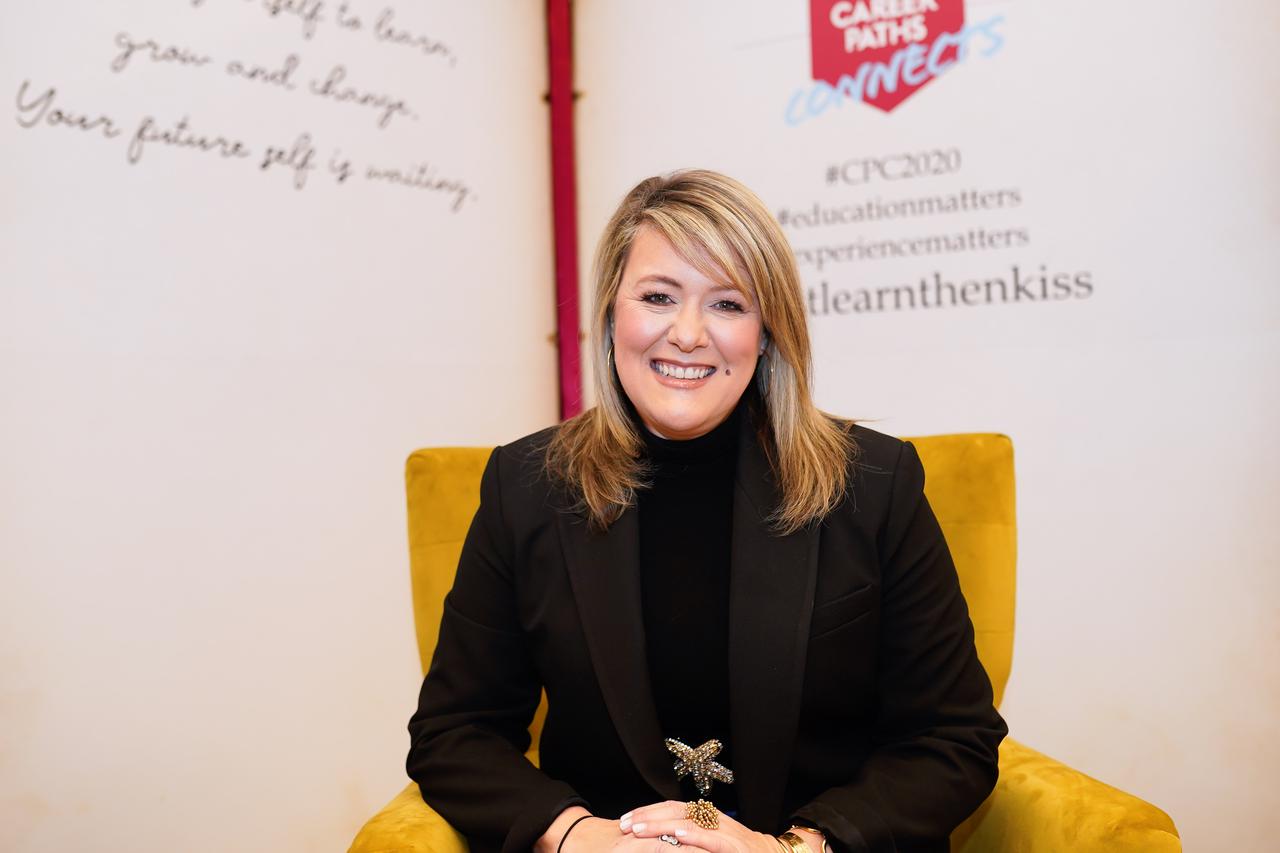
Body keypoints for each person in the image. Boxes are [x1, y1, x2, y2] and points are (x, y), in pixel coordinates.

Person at [407, 170, 1006, 853]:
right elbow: (455, 732)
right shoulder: (526, 486)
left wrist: (794, 849)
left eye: (727, 303)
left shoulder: (874, 484)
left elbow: (952, 737)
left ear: (768, 331)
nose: (688, 334)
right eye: (658, 296)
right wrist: (578, 837)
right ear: (611, 314)